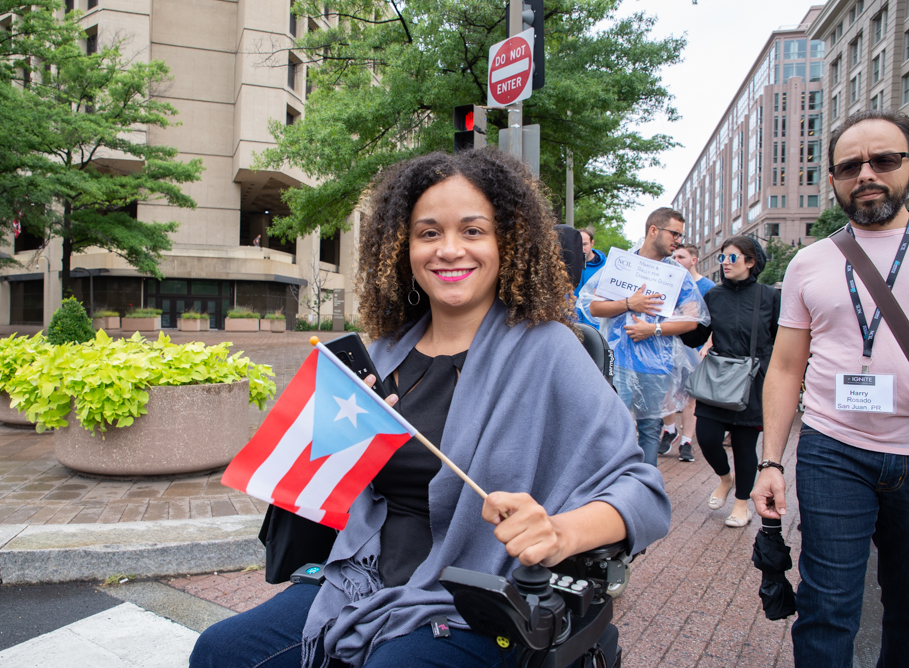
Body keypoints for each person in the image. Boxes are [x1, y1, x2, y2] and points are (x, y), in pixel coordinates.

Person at [190, 149, 671, 668]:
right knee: (220, 651)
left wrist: (559, 533)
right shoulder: (384, 352)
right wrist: (333, 437)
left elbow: (642, 491)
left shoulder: (549, 349)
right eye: (428, 233)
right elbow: (329, 480)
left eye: (473, 231)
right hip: (361, 577)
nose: (449, 250)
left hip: (473, 597)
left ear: (507, 242)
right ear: (404, 247)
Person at [751, 109, 909, 668]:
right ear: (835, 179)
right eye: (849, 166)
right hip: (832, 449)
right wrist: (771, 462)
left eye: (883, 160)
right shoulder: (809, 262)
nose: (866, 174)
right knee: (826, 606)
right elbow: (785, 367)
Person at [577, 208, 709, 466]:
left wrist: (654, 329)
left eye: (680, 236)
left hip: (657, 366)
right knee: (614, 426)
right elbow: (594, 307)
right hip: (619, 361)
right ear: (654, 230)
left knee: (650, 429)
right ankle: (612, 482)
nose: (677, 241)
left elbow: (693, 320)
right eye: (674, 234)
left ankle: (645, 485)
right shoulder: (622, 265)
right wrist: (629, 303)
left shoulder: (677, 275)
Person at [680, 237, 779, 527]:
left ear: (751, 262)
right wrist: (683, 319)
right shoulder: (714, 295)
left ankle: (741, 504)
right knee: (707, 438)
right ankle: (725, 478)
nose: (725, 262)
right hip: (718, 378)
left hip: (752, 381)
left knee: (745, 447)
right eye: (722, 257)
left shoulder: (769, 297)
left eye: (732, 257)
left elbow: (780, 340)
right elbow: (696, 337)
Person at [664, 243, 717, 462]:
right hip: (669, 347)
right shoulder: (669, 281)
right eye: (674, 256)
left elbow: (713, 321)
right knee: (666, 391)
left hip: (694, 349)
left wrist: (706, 346)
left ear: (693, 260)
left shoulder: (707, 287)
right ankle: (669, 430)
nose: (676, 260)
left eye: (681, 257)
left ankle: (686, 441)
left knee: (689, 397)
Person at [575, 228, 606, 327]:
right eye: (578, 245)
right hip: (573, 325)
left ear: (592, 243)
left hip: (596, 327)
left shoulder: (605, 266)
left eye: (585, 244)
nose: (581, 248)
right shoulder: (567, 265)